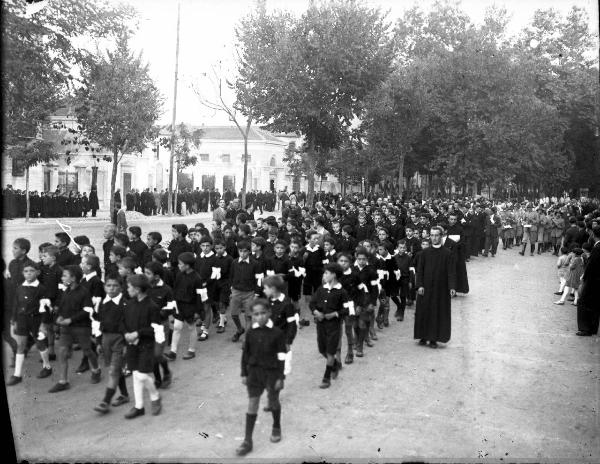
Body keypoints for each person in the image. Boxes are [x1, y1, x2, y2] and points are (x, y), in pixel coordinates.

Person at [236, 299, 287, 456]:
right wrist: (244, 373)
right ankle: (247, 440)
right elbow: (246, 354)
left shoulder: (277, 333)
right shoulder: (250, 332)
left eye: (263, 313)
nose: (260, 317)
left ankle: (276, 426)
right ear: (252, 316)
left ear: (269, 313)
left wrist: (280, 377)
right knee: (252, 403)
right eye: (256, 314)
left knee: (273, 401)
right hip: (255, 372)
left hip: (272, 373)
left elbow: (281, 356)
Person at [49, 265, 102, 393]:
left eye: (65, 275)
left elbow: (87, 310)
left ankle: (96, 370)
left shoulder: (84, 292)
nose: (62, 278)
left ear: (73, 278)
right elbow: (62, 308)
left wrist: (71, 320)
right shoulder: (66, 291)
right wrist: (60, 317)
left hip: (81, 327)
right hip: (66, 328)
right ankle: (63, 381)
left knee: (87, 350)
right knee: (62, 352)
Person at [6, 262, 53, 386]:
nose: (28, 273)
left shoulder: (41, 289)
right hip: (22, 320)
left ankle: (47, 367)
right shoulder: (20, 288)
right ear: (23, 273)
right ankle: (17, 374)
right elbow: (16, 305)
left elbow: (46, 308)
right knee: (21, 345)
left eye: (31, 271)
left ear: (37, 272)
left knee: (40, 344)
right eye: (26, 271)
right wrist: (14, 320)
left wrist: (43, 324)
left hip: (36, 320)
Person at [122, 274, 162, 419]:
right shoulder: (129, 304)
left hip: (146, 344)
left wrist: (137, 333)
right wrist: (126, 333)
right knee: (134, 373)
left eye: (129, 287)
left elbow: (155, 329)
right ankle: (139, 406)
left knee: (142, 374)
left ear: (137, 289)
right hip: (131, 343)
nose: (127, 289)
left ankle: (155, 395)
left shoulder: (152, 307)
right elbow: (123, 321)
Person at [309, 263, 352, 388]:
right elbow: (312, 304)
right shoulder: (321, 289)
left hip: (334, 325)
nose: (324, 275)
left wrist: (335, 314)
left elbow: (347, 309)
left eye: (326, 273)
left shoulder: (342, 292)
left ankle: (326, 378)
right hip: (321, 324)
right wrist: (316, 312)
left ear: (334, 275)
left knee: (330, 351)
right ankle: (334, 366)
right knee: (322, 349)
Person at [92, 275, 130, 414]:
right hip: (106, 339)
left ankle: (105, 401)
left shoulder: (125, 304)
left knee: (114, 370)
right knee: (116, 369)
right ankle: (124, 395)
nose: (111, 288)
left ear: (121, 288)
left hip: (120, 339)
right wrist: (98, 342)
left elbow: (129, 326)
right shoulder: (102, 304)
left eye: (115, 286)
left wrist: (127, 344)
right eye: (108, 285)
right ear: (104, 287)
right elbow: (98, 324)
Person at [414, 226, 456, 348]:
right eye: (431, 235)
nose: (434, 238)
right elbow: (420, 270)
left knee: (436, 312)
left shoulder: (448, 253)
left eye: (436, 235)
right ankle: (423, 336)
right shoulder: (424, 253)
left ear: (441, 236)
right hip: (425, 288)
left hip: (440, 289)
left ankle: (433, 338)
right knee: (424, 311)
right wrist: (419, 285)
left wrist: (452, 286)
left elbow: (451, 272)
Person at [165, 252, 203, 361]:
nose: (178, 265)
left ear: (187, 265)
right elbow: (175, 289)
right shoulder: (179, 274)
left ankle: (191, 350)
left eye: (180, 264)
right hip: (179, 305)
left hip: (191, 307)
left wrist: (197, 311)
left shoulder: (197, 278)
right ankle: (173, 352)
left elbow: (200, 296)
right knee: (177, 327)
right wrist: (173, 304)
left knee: (192, 328)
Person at [576, 226, 600, 336]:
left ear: (592, 235)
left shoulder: (597, 248)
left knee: (583, 302)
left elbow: (592, 267)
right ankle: (593, 328)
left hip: (593, 280)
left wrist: (584, 278)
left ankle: (585, 328)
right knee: (595, 304)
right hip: (596, 280)